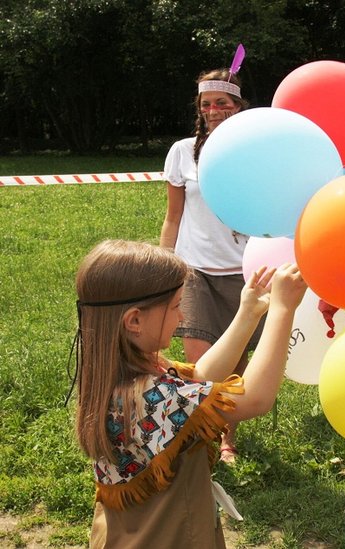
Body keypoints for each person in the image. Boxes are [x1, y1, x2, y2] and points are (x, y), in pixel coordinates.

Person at [73, 239, 306, 547]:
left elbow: (197, 377)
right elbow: (255, 399)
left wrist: (248, 313)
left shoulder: (123, 373)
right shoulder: (151, 395)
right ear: (134, 321)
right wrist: (282, 309)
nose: (182, 317)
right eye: (175, 307)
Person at [160, 68, 255, 463]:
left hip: (244, 271)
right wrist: (163, 266)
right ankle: (200, 436)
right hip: (193, 270)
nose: (214, 110)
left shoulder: (255, 152)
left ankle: (226, 437)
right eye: (207, 104)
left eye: (222, 103)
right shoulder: (183, 152)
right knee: (200, 365)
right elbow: (173, 216)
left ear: (237, 107)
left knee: (234, 362)